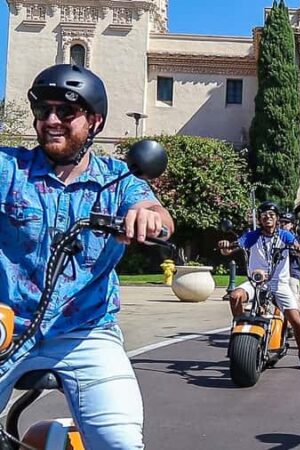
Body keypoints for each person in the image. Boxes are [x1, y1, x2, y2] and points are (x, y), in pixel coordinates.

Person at [0, 64, 175, 449]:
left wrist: (149, 218)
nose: (51, 121)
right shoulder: (10, 169)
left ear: (94, 121)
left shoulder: (119, 179)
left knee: (119, 441)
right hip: (7, 327)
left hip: (87, 331)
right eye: (43, 111)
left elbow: (157, 214)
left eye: (66, 112)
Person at [218, 201, 300, 372]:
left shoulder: (285, 236)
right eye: (264, 215)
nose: (267, 218)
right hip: (256, 281)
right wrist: (225, 246)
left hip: (279, 284)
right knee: (235, 296)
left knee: (297, 321)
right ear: (260, 219)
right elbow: (231, 249)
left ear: (277, 219)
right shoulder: (252, 236)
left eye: (271, 215)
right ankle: (240, 330)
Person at [279, 211, 300, 342]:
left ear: (292, 225)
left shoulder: (294, 239)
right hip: (276, 274)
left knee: (293, 301)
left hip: (292, 273)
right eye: (281, 222)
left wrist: (299, 249)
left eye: (286, 223)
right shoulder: (276, 236)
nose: (282, 225)